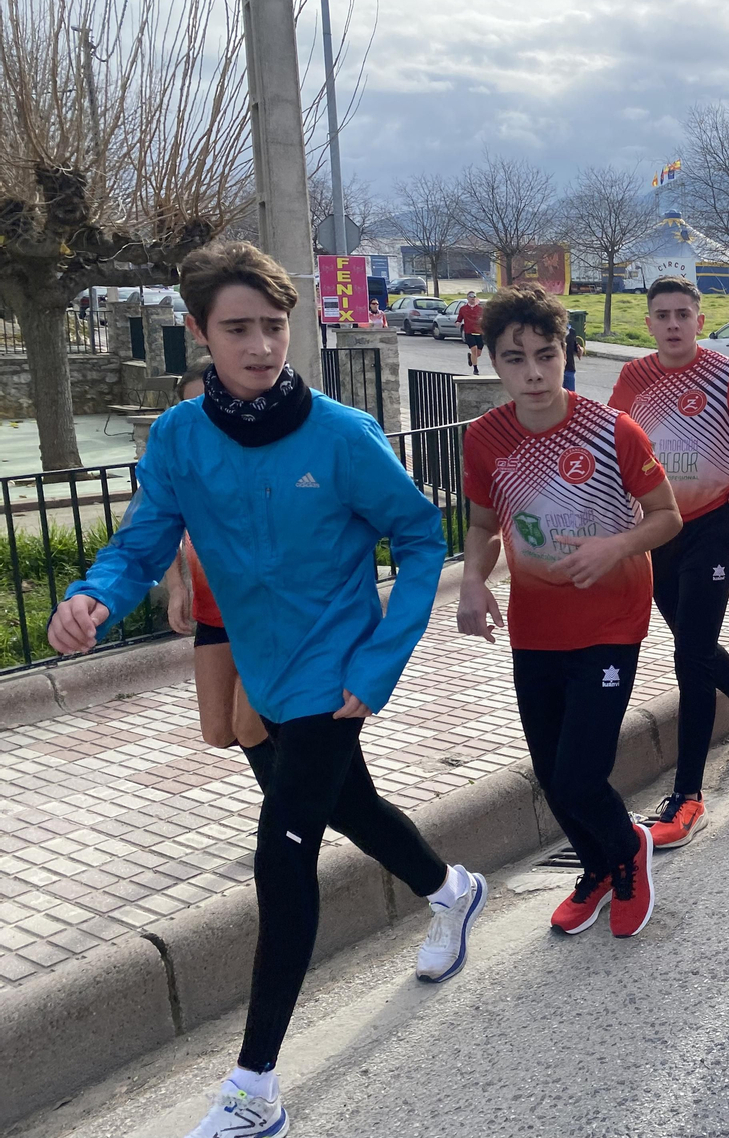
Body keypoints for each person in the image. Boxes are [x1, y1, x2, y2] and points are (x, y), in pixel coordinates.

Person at [48, 242, 486, 1138]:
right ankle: (451, 891)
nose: (260, 346)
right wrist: (92, 595)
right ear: (201, 334)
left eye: (273, 327)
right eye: (237, 328)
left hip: (334, 678)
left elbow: (416, 537)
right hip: (262, 674)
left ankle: (255, 1088)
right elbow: (141, 544)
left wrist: (378, 665)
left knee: (281, 860)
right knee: (349, 810)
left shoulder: (339, 434)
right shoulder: (178, 439)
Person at [458, 287, 681, 940]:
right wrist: (473, 579)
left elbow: (666, 515)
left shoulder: (612, 430)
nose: (532, 372)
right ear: (494, 361)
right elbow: (481, 524)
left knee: (582, 775)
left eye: (545, 355)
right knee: (553, 776)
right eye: (515, 358)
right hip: (535, 629)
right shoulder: (484, 440)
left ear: (566, 355)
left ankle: (627, 852)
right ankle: (596, 868)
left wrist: (616, 544)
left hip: (611, 623)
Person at [608, 275, 729, 849]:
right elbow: (613, 445)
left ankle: (688, 795)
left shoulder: (725, 373)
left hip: (711, 525)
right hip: (659, 529)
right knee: (692, 644)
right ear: (649, 322)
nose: (674, 324)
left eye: (684, 313)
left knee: (690, 656)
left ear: (700, 321)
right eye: (663, 315)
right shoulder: (634, 377)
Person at [158, 367, 269, 758]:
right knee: (220, 732)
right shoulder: (178, 464)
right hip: (213, 615)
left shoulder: (259, 460)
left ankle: (285, 815)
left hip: (266, 620)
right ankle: (302, 800)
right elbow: (158, 529)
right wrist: (176, 586)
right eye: (192, 405)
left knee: (251, 727)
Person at [460, 290, 485, 374]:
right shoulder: (463, 309)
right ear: (468, 298)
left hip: (479, 332)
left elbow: (484, 319)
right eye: (471, 297)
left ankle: (471, 357)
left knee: (478, 353)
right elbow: (459, 318)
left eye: (474, 297)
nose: (473, 298)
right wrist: (457, 322)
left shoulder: (480, 309)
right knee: (474, 349)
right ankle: (475, 369)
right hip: (469, 332)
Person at [564, 320, 585, 392]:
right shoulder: (552, 333)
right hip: (556, 370)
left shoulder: (572, 331)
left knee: (570, 396)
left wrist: (579, 350)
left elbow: (574, 347)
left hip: (569, 368)